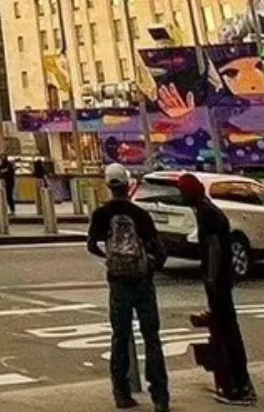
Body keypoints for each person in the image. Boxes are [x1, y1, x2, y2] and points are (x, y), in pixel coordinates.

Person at [87, 163, 170, 412]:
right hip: (142, 281)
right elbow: (159, 250)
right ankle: (160, 396)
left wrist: (110, 258)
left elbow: (91, 245)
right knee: (152, 337)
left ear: (108, 185)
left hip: (118, 282)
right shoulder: (140, 215)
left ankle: (121, 393)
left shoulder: (101, 215)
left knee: (120, 336)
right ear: (127, 184)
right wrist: (149, 264)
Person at [179, 172, 255, 406]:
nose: (180, 196)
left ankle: (238, 387)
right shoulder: (207, 209)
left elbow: (214, 250)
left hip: (219, 283)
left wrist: (211, 280)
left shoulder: (207, 213)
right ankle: (239, 384)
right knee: (227, 332)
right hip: (221, 281)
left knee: (226, 333)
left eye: (182, 191)